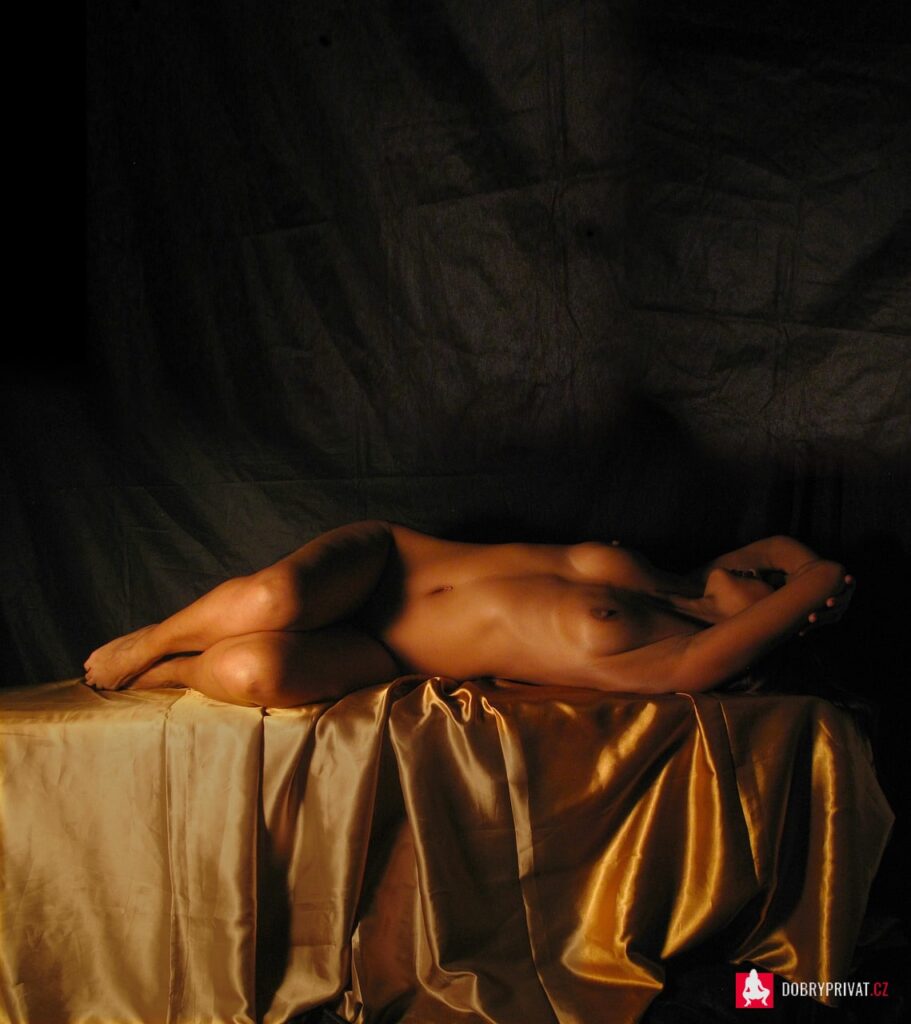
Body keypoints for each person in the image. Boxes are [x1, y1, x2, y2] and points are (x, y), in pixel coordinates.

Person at [83, 521, 854, 708]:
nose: (758, 568)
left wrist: (816, 590)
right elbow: (783, 550)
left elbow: (821, 576)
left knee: (255, 671)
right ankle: (152, 640)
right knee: (271, 599)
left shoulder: (681, 657)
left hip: (391, 655)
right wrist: (791, 572)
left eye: (768, 586)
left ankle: (174, 672)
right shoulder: (680, 580)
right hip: (394, 562)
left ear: (781, 626)